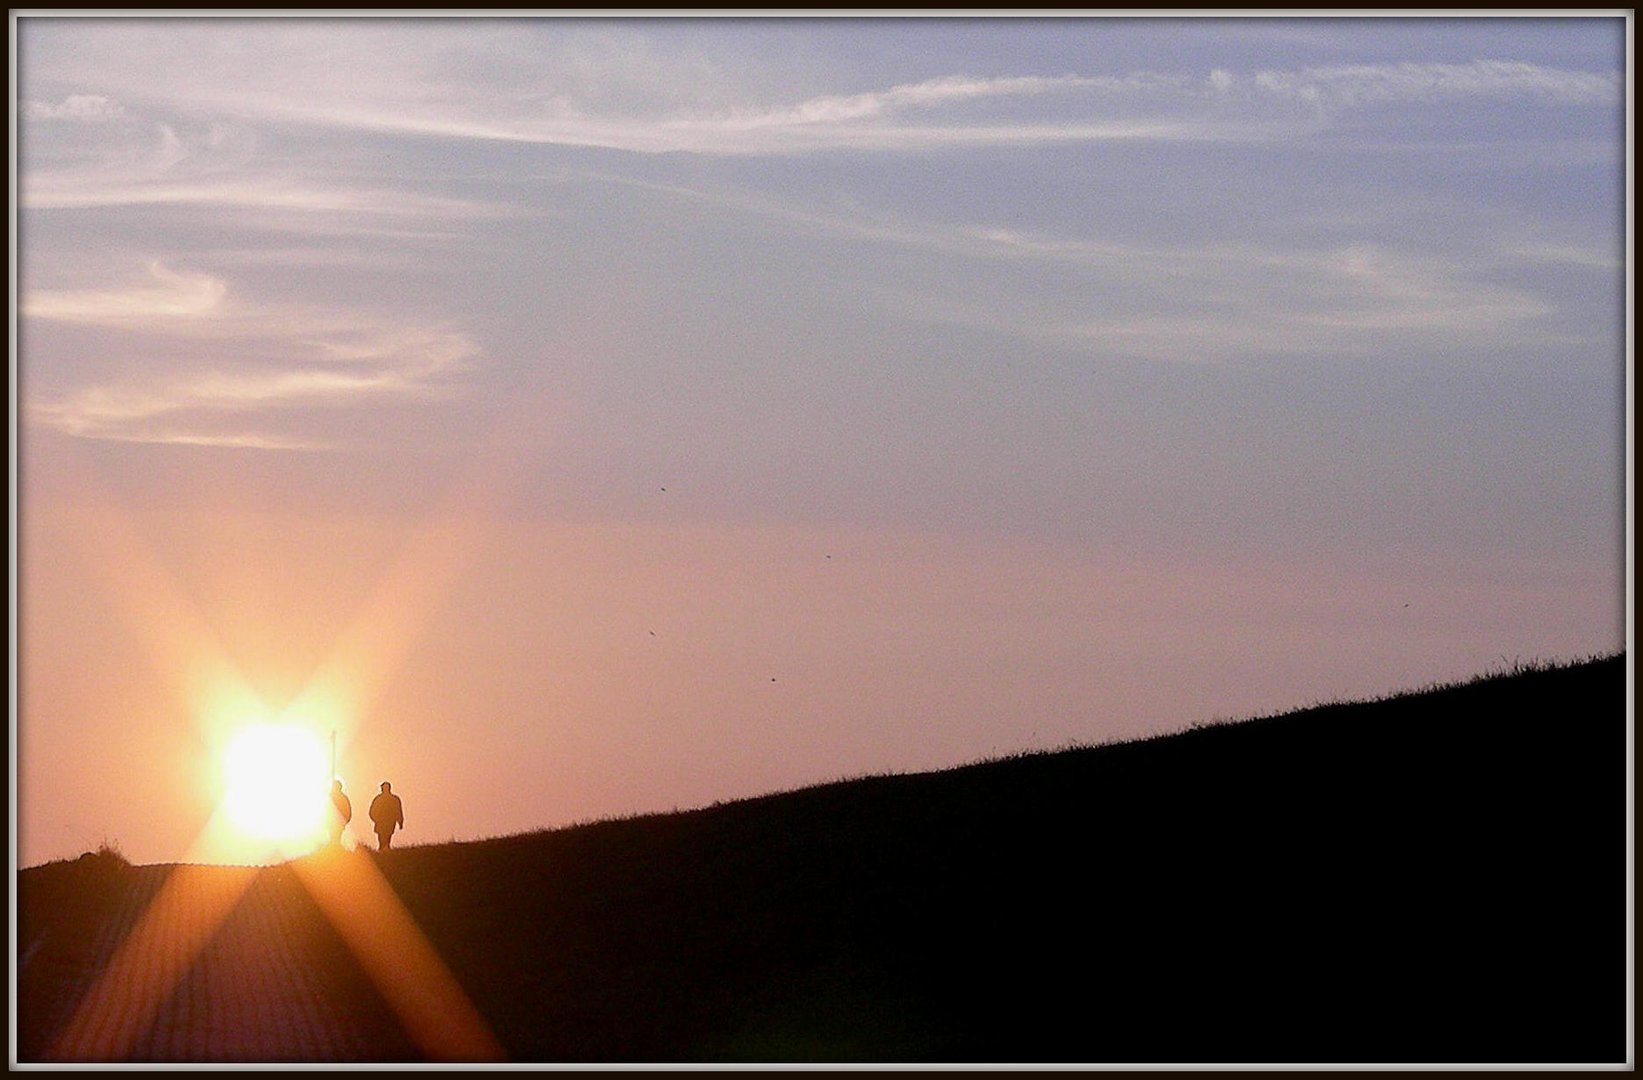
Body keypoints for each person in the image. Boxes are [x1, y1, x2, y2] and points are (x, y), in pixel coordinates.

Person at [368, 781, 405, 852]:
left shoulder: (394, 799)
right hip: (381, 822)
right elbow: (372, 811)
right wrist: (375, 819)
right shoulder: (379, 799)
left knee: (387, 837)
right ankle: (383, 850)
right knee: (382, 838)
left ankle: (385, 851)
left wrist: (400, 822)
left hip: (389, 822)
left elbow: (398, 811)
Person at [328, 779, 352, 848]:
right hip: (334, 821)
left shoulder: (333, 797)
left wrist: (346, 820)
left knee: (335, 837)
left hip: (337, 822)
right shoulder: (333, 796)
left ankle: (335, 850)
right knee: (335, 837)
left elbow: (347, 810)